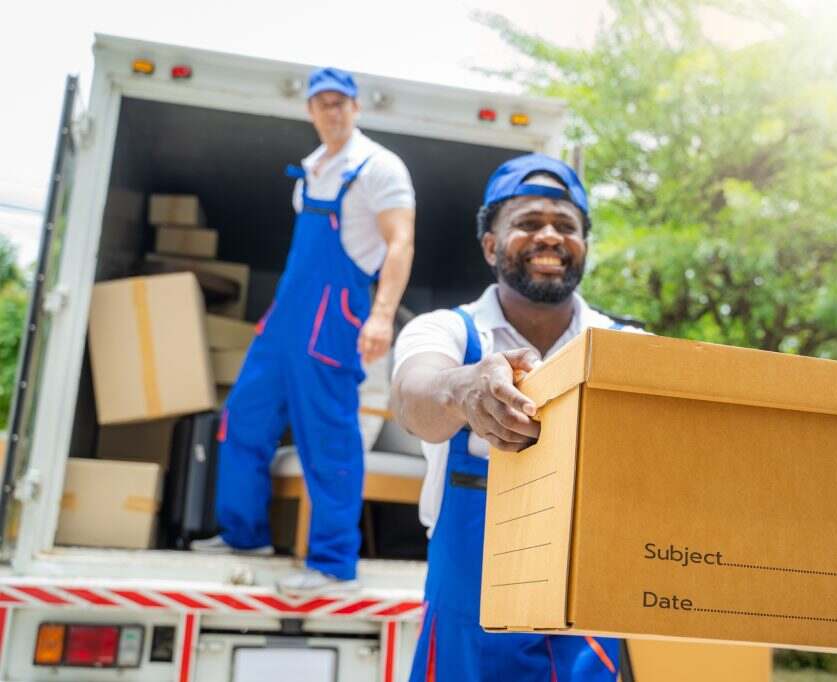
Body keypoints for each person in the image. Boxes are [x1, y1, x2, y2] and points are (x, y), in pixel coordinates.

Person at [391, 153, 637, 680]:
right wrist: (464, 390)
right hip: (465, 638)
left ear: (584, 247)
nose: (549, 236)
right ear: (490, 244)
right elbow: (413, 397)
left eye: (565, 226)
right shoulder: (446, 334)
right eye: (527, 223)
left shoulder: (627, 349)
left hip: (584, 641)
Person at [192, 67, 416, 595]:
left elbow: (400, 242)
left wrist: (383, 315)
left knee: (328, 435)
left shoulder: (379, 167)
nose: (331, 111)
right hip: (286, 321)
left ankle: (335, 565)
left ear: (356, 108)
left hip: (332, 320)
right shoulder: (313, 170)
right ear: (310, 110)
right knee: (241, 419)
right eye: (322, 103)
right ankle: (244, 534)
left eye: (340, 102)